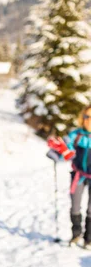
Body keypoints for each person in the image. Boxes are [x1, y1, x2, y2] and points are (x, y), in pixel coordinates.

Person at [47, 104, 91, 247]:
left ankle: (89, 238)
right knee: (75, 206)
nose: (89, 120)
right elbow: (66, 150)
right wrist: (56, 152)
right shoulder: (76, 135)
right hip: (78, 176)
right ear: (82, 118)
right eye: (87, 116)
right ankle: (76, 234)